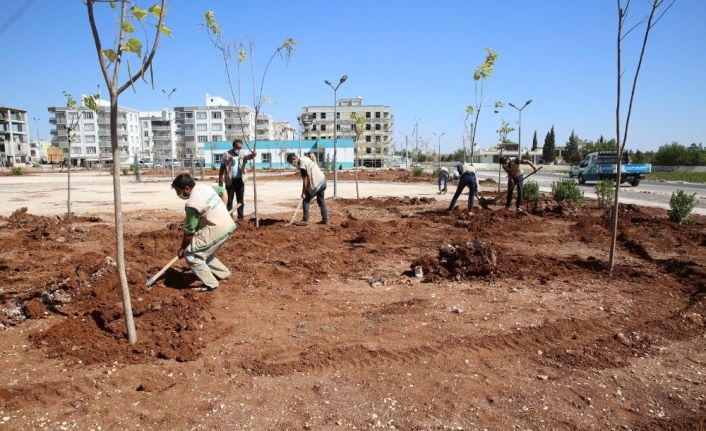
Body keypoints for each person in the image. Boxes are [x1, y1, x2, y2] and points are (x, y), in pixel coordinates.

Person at [172, 173, 236, 292]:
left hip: (217, 229)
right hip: (228, 224)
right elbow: (222, 191)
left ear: (187, 188)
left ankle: (211, 284)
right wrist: (223, 208)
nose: (178, 194)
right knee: (203, 251)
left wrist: (182, 248)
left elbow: (189, 232)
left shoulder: (191, 204)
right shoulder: (205, 187)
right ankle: (223, 274)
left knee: (191, 254)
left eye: (178, 191)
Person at [218, 139, 256, 220]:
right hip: (230, 181)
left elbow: (248, 157)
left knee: (240, 200)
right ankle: (229, 217)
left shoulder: (243, 153)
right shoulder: (226, 154)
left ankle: (240, 217)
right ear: (233, 147)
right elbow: (222, 167)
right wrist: (220, 178)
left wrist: (253, 155)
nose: (239, 149)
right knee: (229, 201)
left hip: (240, 180)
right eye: (237, 148)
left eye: (240, 148)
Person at [287, 152, 328, 226]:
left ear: (294, 158)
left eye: (291, 162)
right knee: (321, 201)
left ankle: (305, 220)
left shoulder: (302, 165)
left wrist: (303, 193)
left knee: (305, 200)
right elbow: (313, 159)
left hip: (316, 183)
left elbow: (305, 180)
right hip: (322, 181)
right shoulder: (305, 158)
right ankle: (325, 220)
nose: (292, 164)